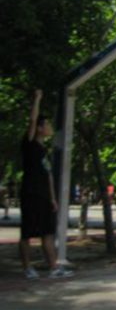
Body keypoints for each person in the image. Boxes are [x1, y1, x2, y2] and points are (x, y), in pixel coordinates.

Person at [19, 90, 73, 279]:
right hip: (30, 193)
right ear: (40, 128)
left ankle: (54, 267)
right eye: (47, 124)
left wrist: (53, 198)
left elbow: (49, 175)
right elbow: (32, 120)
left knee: (48, 232)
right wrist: (37, 99)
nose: (50, 127)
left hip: (44, 196)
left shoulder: (44, 150)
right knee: (27, 233)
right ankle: (27, 268)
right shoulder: (30, 144)